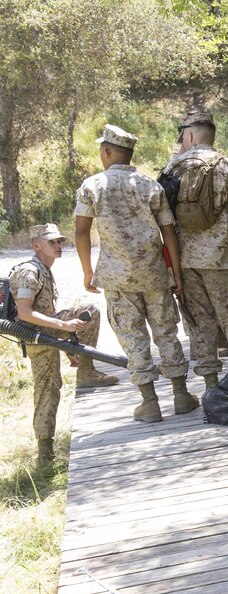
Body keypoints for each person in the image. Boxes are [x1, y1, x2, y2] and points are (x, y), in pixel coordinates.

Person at [74, 124, 197, 423]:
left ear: (106, 151)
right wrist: (175, 272)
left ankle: (150, 403)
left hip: (117, 278)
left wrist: (88, 272)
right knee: (166, 331)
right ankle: (181, 396)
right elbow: (169, 232)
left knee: (132, 337)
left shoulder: (92, 186)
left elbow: (81, 232)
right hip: (154, 273)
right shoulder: (150, 186)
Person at [161, 109, 228, 388]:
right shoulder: (227, 165)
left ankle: (211, 387)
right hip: (222, 260)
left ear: (188, 135)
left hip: (185, 262)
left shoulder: (170, 169)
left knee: (200, 324)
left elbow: (162, 222)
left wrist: (171, 267)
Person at [10, 224, 118, 465]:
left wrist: (69, 343)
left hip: (49, 330)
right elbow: (25, 313)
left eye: (59, 241)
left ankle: (86, 371)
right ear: (36, 245)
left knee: (88, 311)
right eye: (52, 242)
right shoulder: (29, 271)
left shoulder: (44, 269)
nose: (59, 246)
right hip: (37, 336)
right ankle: (45, 455)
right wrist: (64, 328)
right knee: (47, 389)